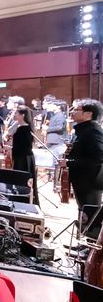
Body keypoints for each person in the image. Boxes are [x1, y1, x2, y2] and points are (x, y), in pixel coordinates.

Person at [67, 99, 103, 234]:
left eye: (76, 110)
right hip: (83, 180)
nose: (72, 112)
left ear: (88, 114)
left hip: (91, 181)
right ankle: (82, 244)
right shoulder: (85, 130)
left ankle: (89, 249)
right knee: (83, 212)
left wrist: (70, 162)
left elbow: (98, 158)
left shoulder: (93, 131)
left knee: (91, 215)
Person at [9, 106, 39, 206]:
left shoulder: (24, 129)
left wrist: (9, 148)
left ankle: (21, 204)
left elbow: (22, 147)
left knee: (22, 184)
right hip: (23, 157)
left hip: (23, 159)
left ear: (23, 115)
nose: (14, 115)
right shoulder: (22, 127)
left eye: (16, 113)